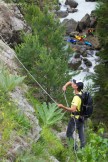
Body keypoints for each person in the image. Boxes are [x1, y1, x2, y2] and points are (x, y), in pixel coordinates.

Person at [58, 79, 85, 150]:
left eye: (74, 83)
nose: (72, 83)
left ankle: (75, 150)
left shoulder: (76, 98)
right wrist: (65, 86)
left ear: (76, 87)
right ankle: (83, 151)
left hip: (75, 119)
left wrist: (62, 107)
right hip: (81, 118)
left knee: (69, 135)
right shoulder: (81, 93)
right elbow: (70, 82)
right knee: (81, 136)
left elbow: (73, 109)